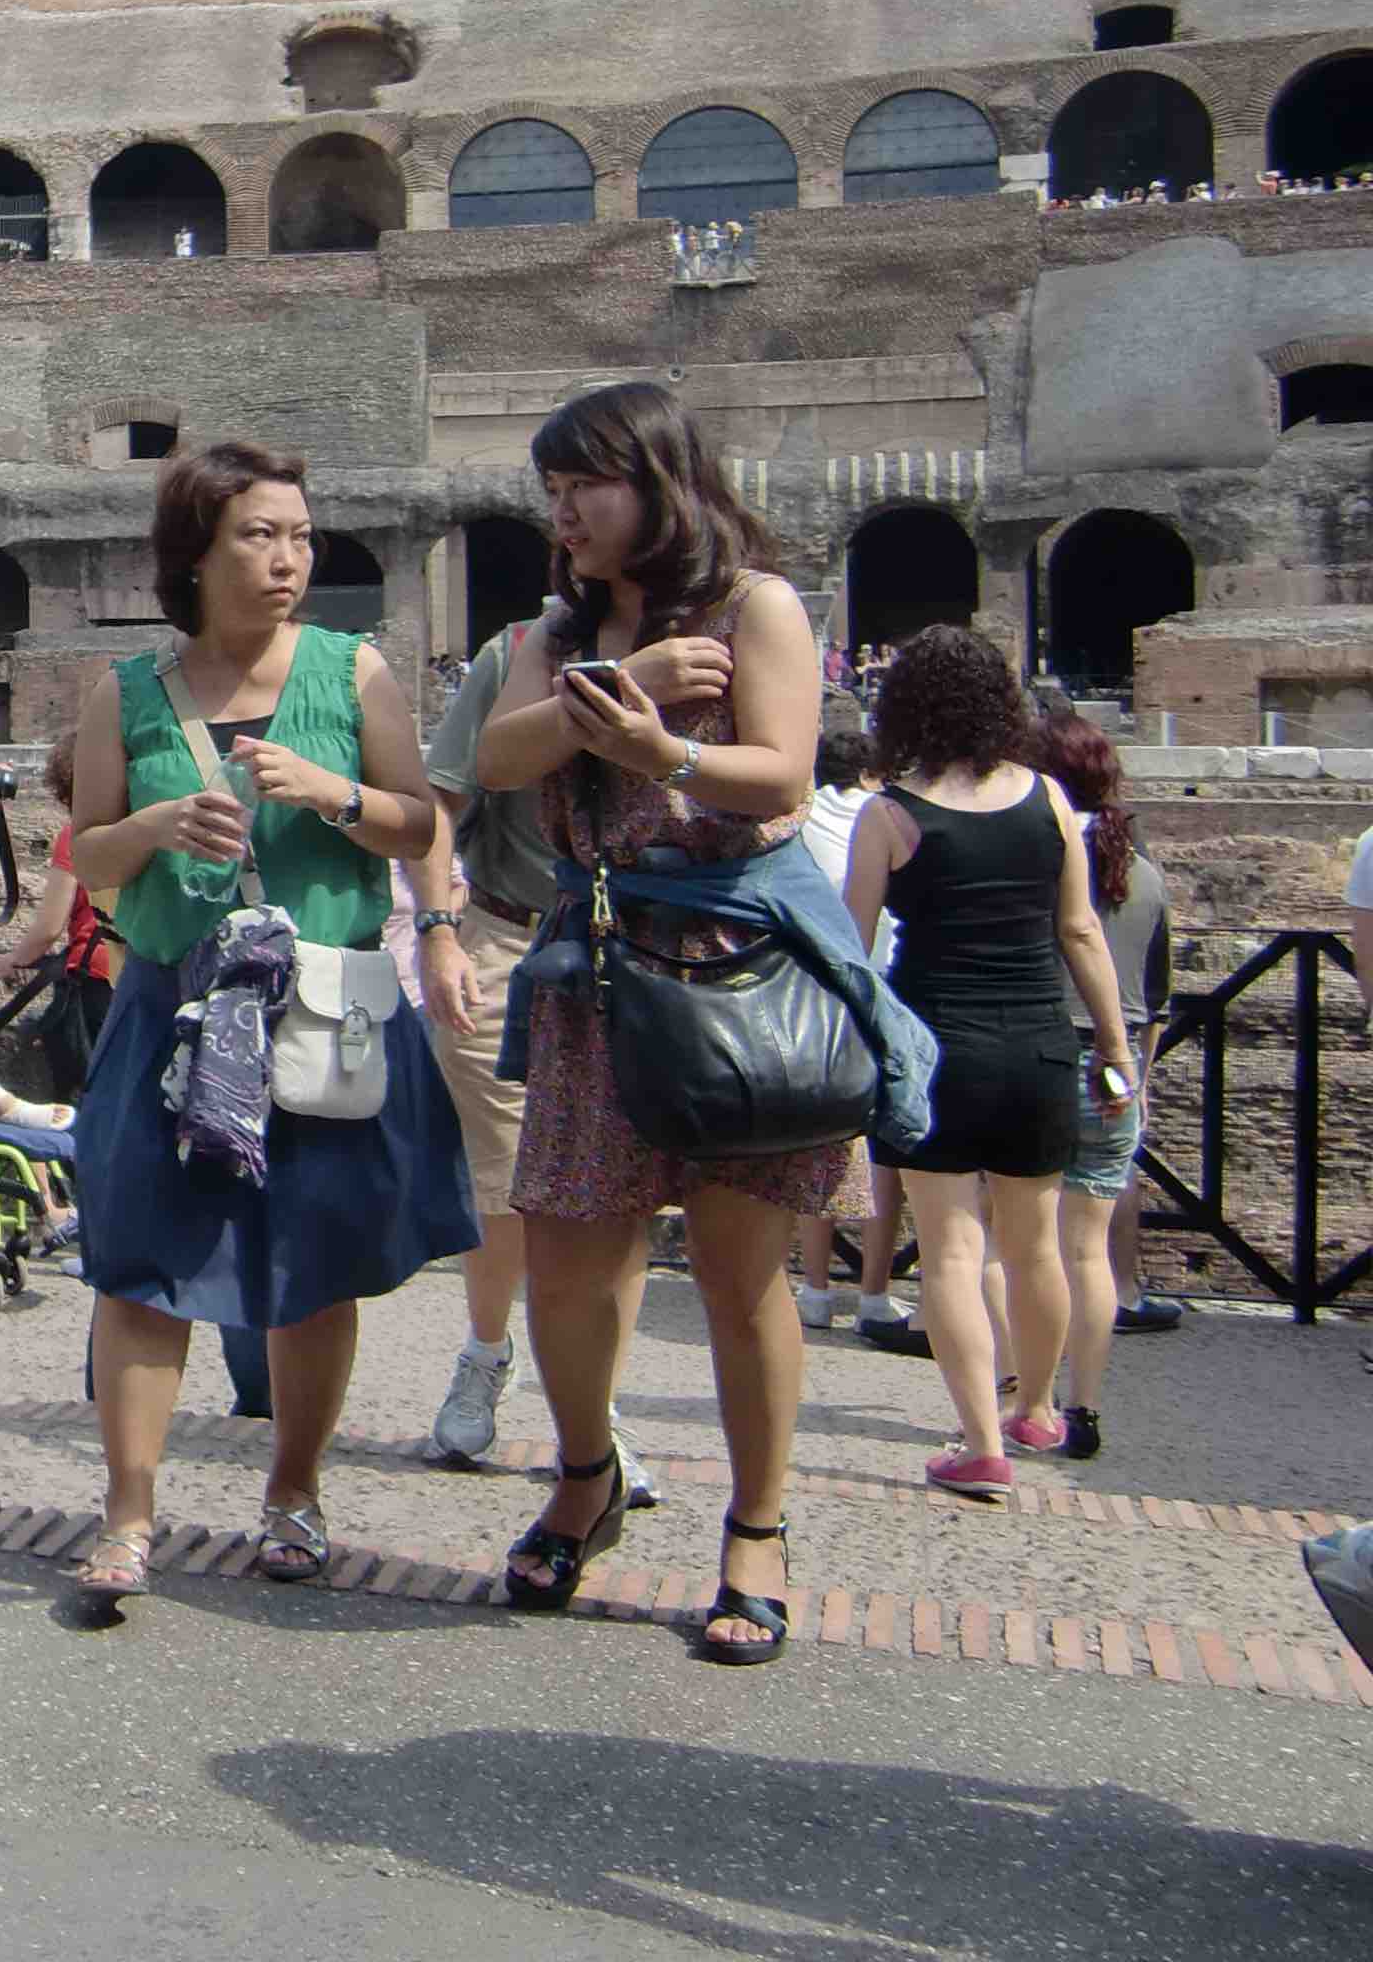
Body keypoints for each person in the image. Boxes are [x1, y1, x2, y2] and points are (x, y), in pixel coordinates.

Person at [475, 381, 882, 1666]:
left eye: (580, 485)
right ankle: (587, 1475)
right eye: (550, 492)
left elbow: (786, 769)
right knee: (568, 1262)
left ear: (655, 479)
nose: (563, 513)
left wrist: (668, 754)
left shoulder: (756, 602)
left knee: (737, 1269)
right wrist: (629, 683)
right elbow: (498, 758)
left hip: (738, 968)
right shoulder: (566, 628)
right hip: (602, 970)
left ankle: (755, 1528)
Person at [65, 440, 478, 1605]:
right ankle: (129, 1513)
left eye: (300, 533)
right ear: (195, 551)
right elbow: (88, 852)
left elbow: (415, 825)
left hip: (316, 1011)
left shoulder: (354, 674)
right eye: (261, 532)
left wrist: (334, 794)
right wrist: (154, 829)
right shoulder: (127, 690)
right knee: (141, 1261)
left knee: (313, 1259)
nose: (291, 556)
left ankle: (293, 1494)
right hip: (171, 1005)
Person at [843, 627, 1135, 1501]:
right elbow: (1080, 931)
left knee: (951, 1252)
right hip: (1041, 1041)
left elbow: (852, 952)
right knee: (1036, 1243)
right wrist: (1115, 1049)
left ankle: (979, 1442)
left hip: (938, 1050)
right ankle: (1039, 1405)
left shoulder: (887, 814)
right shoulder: (1048, 799)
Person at [417, 613, 659, 1488]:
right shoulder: (515, 652)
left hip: (646, 952)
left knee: (620, 1191)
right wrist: (439, 931)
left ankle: (599, 1409)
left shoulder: (715, 645)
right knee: (506, 1181)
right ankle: (486, 1350)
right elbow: (441, 796)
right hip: (509, 937)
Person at [1036, 708, 1168, 1458]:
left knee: (1016, 1243)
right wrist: (1137, 1078)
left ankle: (1025, 1398)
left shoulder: (1035, 853)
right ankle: (1082, 1410)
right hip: (1115, 1070)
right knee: (1088, 1252)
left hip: (1044, 1053)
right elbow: (1156, 993)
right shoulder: (1144, 872)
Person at [792, 729, 910, 1335]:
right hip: (884, 991)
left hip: (813, 998)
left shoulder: (800, 815)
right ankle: (873, 1296)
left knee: (823, 1144)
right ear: (869, 772)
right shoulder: (884, 814)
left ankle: (813, 1291)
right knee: (882, 1154)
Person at [0, 747, 118, 1101]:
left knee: (89, 1091)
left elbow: (49, 926)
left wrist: (11, 960)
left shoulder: (78, 833)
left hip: (98, 977)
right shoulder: (148, 824)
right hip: (143, 970)